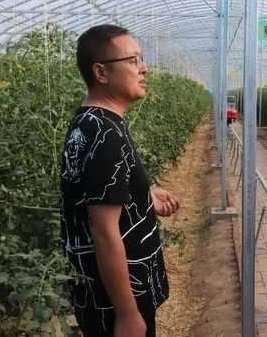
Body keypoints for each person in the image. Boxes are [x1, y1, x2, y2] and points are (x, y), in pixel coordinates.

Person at [60, 24, 180, 337]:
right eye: (132, 60)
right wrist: (127, 314)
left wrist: (142, 196)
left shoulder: (94, 122)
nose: (144, 68)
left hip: (109, 298)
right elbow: (104, 232)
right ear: (101, 73)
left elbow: (95, 195)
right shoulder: (103, 133)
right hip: (117, 307)